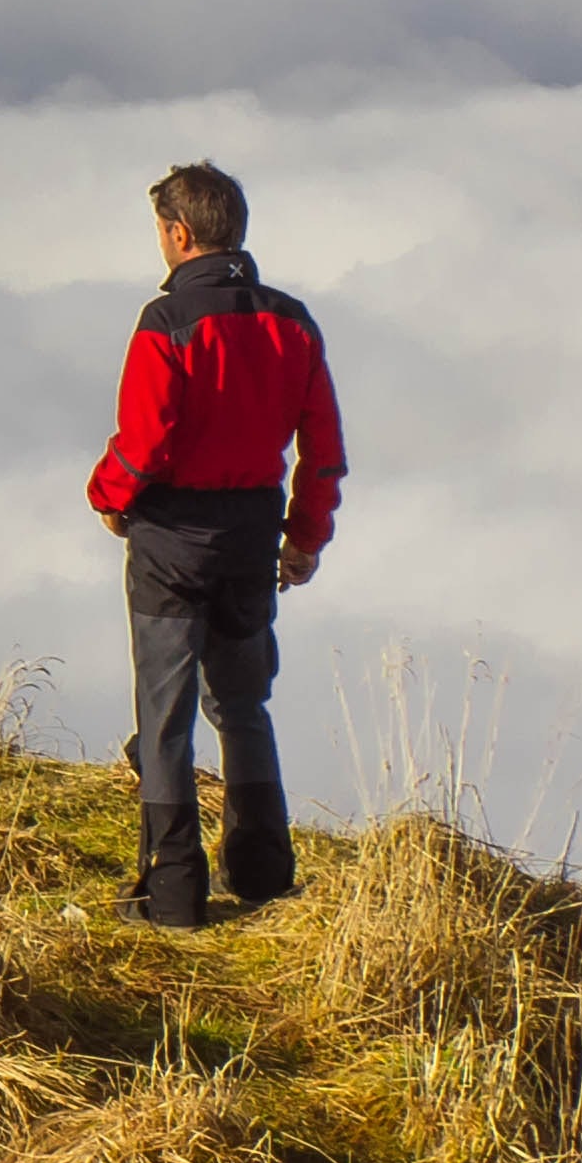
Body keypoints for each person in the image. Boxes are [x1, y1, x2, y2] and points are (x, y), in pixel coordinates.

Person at [87, 159, 340, 925]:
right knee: (242, 701)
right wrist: (305, 537)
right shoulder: (291, 319)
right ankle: (262, 869)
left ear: (177, 233)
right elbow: (322, 448)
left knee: (165, 711)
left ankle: (172, 892)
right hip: (253, 532)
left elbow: (147, 438)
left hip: (171, 537)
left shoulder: (166, 323)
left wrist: (107, 495)